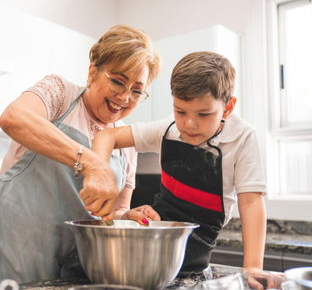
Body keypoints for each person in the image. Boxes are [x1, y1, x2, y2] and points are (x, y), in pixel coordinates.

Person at [0, 25, 162, 290]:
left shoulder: (126, 145)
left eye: (136, 91)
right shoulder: (61, 94)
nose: (124, 97)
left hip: (67, 277)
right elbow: (14, 118)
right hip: (5, 265)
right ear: (92, 72)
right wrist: (90, 162)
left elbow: (113, 213)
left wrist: (128, 217)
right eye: (117, 81)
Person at [91, 51, 267, 277]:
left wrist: (253, 268)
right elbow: (107, 137)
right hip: (153, 242)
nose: (190, 124)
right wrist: (98, 172)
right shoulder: (169, 129)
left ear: (228, 107)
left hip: (198, 251)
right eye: (180, 111)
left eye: (203, 114)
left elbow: (251, 202)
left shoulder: (242, 137)